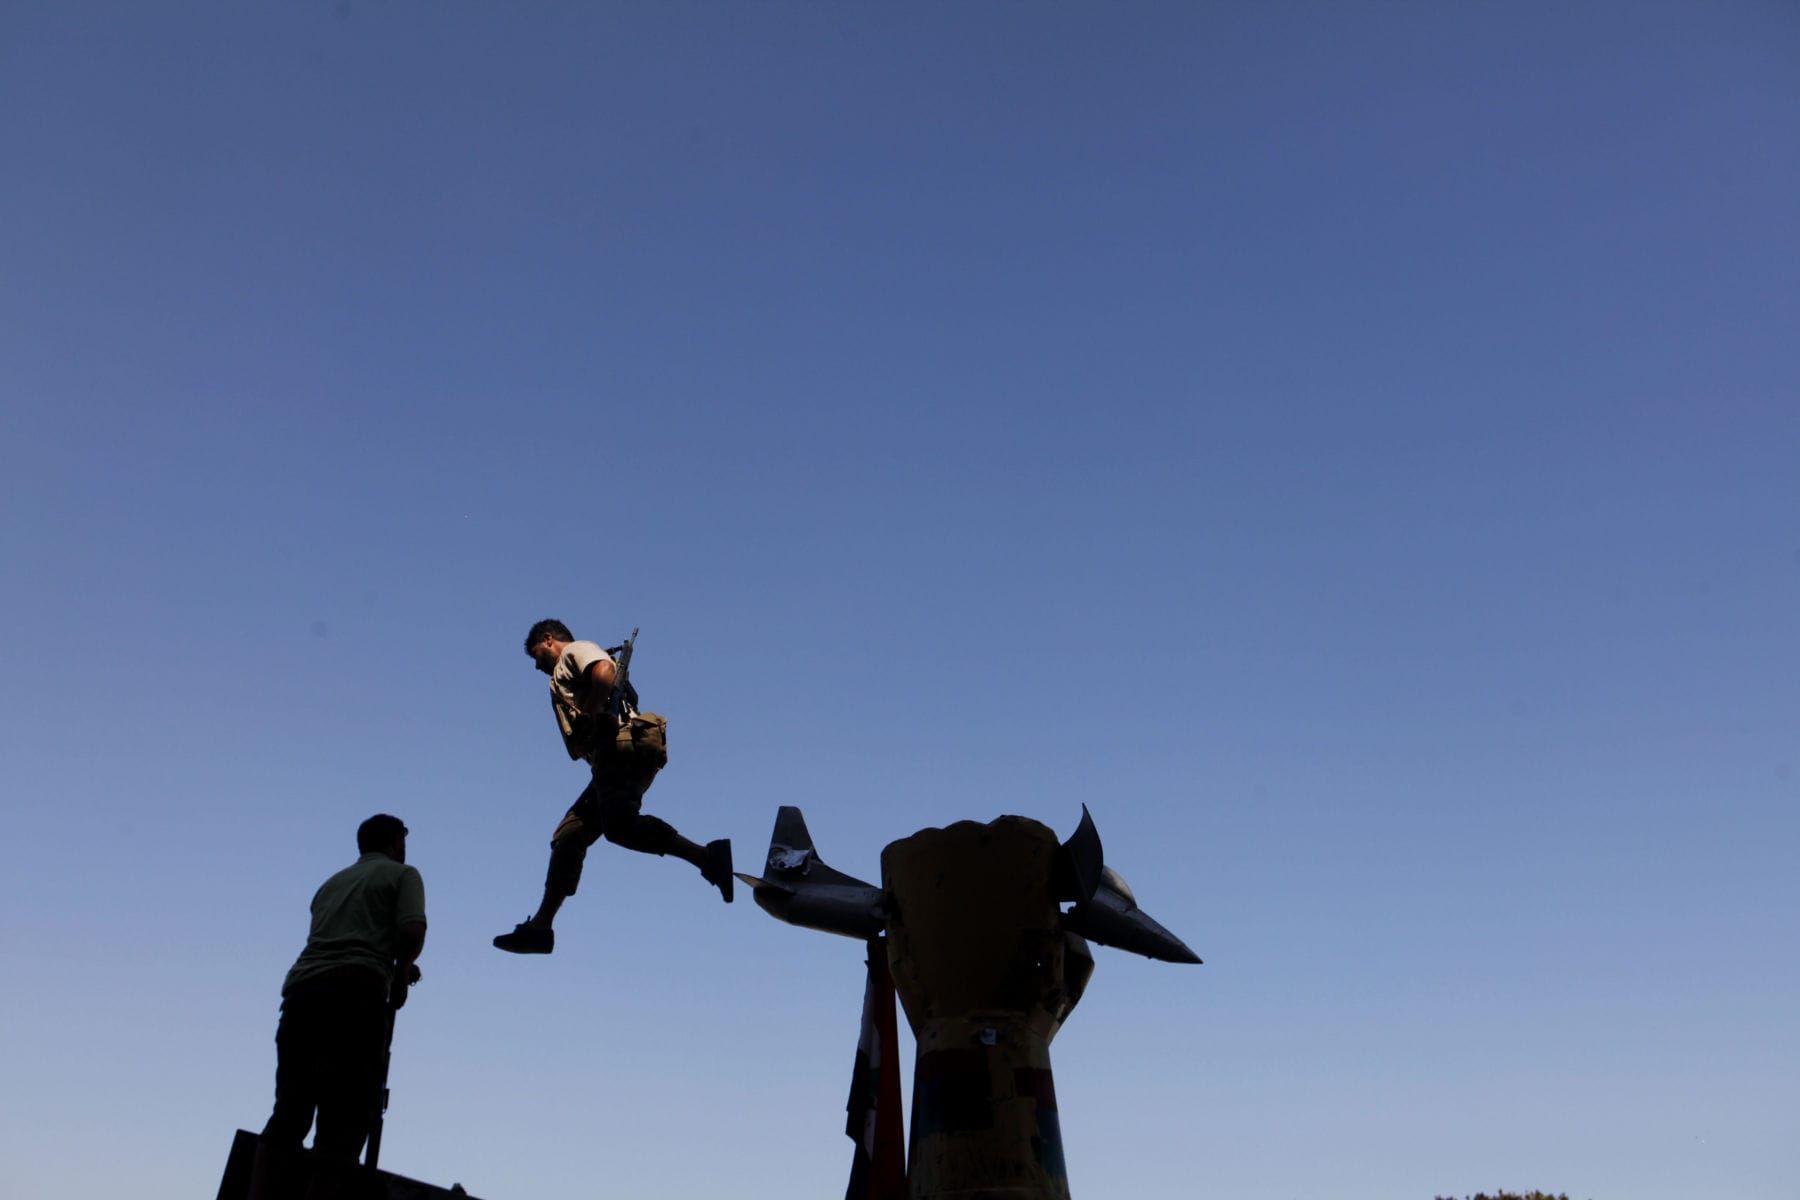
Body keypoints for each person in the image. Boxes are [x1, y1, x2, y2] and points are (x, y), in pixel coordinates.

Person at [494, 619, 732, 955]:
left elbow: (605, 671)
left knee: (619, 827)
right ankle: (541, 927)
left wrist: (593, 713)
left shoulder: (573, 653)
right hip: (609, 758)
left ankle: (708, 857)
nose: (537, 666)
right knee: (570, 836)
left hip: (620, 748)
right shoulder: (561, 679)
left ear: (549, 640)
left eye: (537, 656)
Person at [251, 814, 426, 1199]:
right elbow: (410, 930)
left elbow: (349, 935)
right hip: (355, 994)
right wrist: (399, 978)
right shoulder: (404, 875)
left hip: (301, 995)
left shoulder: (330, 885)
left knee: (290, 1112)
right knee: (344, 1122)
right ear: (396, 842)